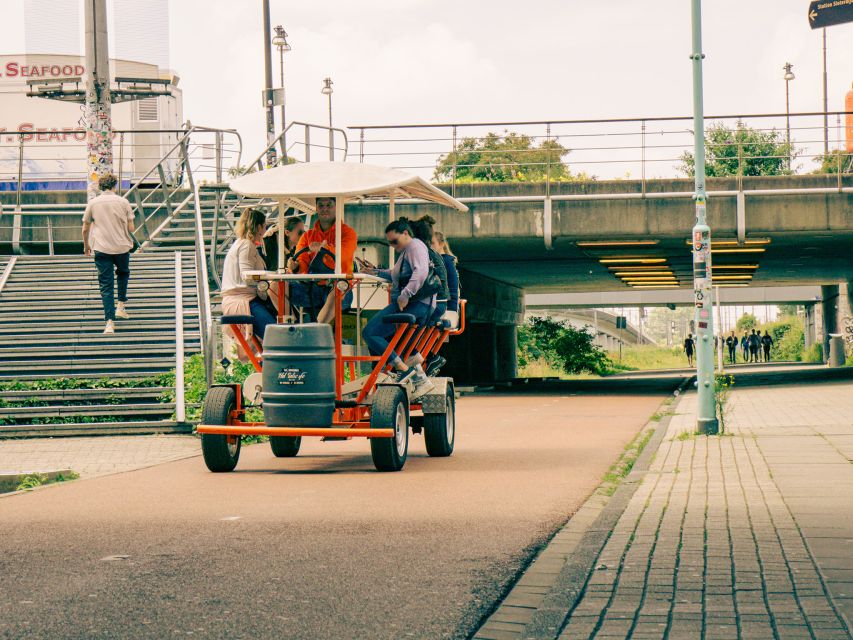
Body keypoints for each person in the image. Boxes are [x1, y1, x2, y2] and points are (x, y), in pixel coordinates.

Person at [362, 219, 439, 398]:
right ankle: (409, 374)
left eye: (395, 241)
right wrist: (376, 272)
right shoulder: (406, 251)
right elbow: (395, 274)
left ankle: (402, 369)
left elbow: (421, 272)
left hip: (415, 304)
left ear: (406, 233)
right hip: (414, 304)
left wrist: (405, 294)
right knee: (383, 343)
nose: (393, 246)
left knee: (370, 332)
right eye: (390, 243)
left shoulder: (415, 247)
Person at [288, 197, 357, 323]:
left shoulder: (348, 233)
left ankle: (314, 333)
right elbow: (301, 262)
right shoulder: (307, 236)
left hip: (338, 287)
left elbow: (344, 255)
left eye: (329, 205)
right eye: (321, 205)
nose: (325, 209)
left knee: (338, 290)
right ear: (316, 208)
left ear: (336, 207)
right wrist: (295, 267)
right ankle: (291, 324)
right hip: (311, 289)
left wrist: (323, 248)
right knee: (276, 285)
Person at [82, 173, 135, 335]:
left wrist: (86, 246)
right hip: (121, 247)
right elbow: (131, 229)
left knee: (106, 285)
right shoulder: (124, 202)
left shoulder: (93, 203)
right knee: (123, 274)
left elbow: (85, 228)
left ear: (100, 187)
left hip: (101, 247)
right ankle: (121, 306)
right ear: (114, 186)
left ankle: (109, 323)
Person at [221, 208, 278, 349]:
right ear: (259, 227)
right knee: (275, 334)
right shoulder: (247, 245)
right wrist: (269, 278)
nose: (265, 231)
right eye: (264, 226)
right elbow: (247, 275)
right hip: (244, 300)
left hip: (241, 298)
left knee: (274, 332)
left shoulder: (240, 243)